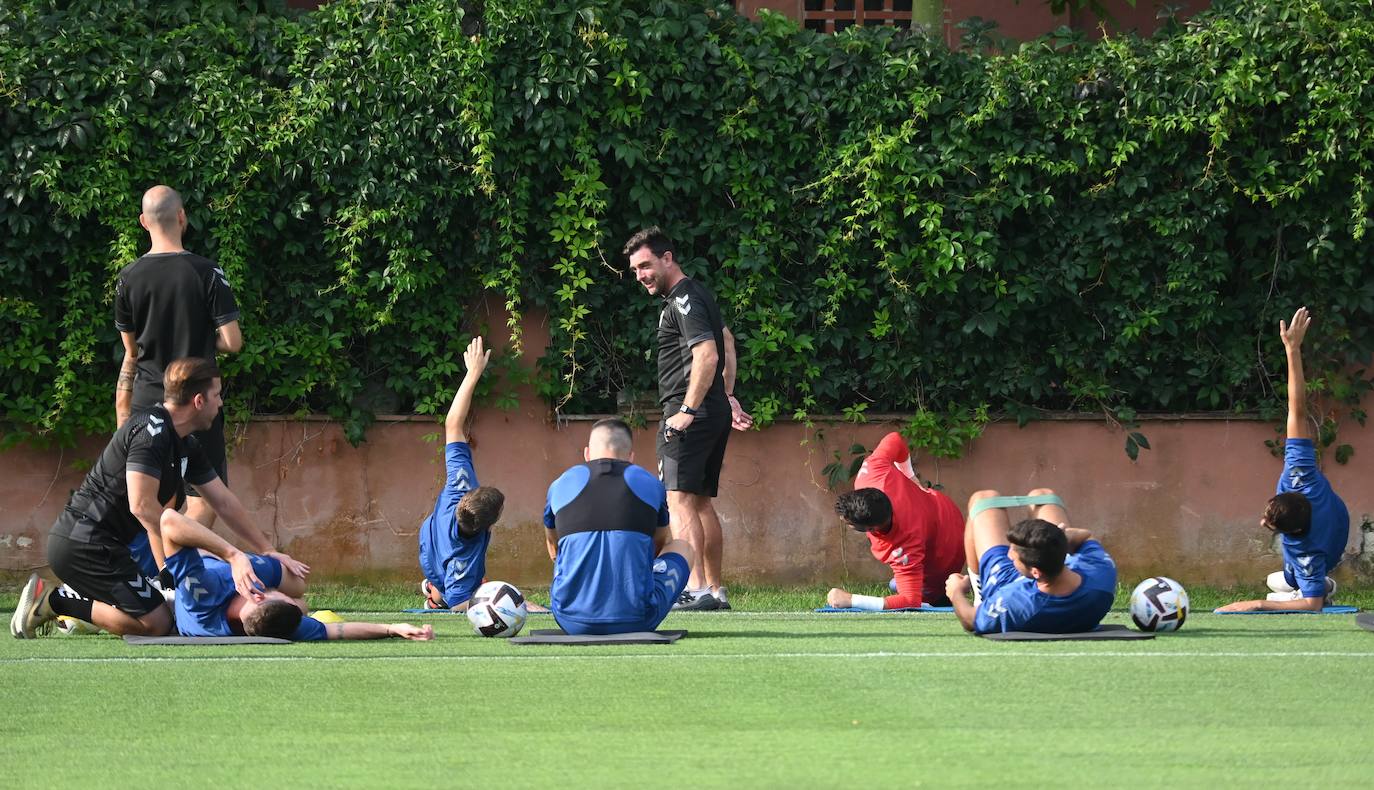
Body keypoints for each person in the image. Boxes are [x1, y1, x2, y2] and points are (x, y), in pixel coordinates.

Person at [11, 358, 304, 639]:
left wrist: (268, 550)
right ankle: (56, 600)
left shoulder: (186, 444)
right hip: (84, 544)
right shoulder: (151, 431)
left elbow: (224, 502)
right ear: (198, 401)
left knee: (165, 611)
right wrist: (169, 566)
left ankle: (82, 602)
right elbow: (141, 506)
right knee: (157, 623)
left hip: (113, 548)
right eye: (217, 395)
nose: (221, 402)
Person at [625, 227, 752, 612]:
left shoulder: (683, 300)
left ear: (668, 258)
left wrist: (687, 410)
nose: (641, 275)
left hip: (689, 415)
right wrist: (725, 396)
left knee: (677, 501)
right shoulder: (697, 296)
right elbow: (727, 341)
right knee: (698, 504)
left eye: (645, 265)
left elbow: (709, 354)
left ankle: (693, 590)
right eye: (634, 270)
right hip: (708, 411)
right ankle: (713, 591)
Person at [115, 185, 243, 531]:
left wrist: (123, 411)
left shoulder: (127, 278)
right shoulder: (207, 272)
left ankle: (159, 576)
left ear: (143, 222)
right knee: (204, 500)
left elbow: (131, 351)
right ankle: (176, 573)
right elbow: (232, 342)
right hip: (196, 401)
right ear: (182, 217)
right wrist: (203, 337)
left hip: (147, 399)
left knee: (154, 502)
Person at [1218, 307, 1349, 612]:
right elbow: (1297, 409)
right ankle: (1302, 584)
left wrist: (1257, 605)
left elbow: (1314, 605)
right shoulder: (1299, 473)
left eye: (1269, 523)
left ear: (1290, 534)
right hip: (1333, 518)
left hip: (1326, 549)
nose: (1262, 521)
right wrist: (1293, 349)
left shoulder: (1306, 550)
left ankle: (1310, 583)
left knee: (1280, 584)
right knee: (1278, 580)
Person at [160, 509, 431, 642]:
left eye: (283, 599)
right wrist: (392, 628)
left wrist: (233, 556)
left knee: (192, 511)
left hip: (210, 563)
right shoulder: (276, 625)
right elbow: (337, 630)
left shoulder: (202, 595)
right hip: (238, 574)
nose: (288, 600)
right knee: (301, 592)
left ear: (258, 596)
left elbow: (168, 520)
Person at [543, 418, 692, 635]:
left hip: (570, 620)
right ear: (631, 457)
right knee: (683, 547)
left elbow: (553, 549)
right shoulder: (651, 484)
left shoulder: (559, 484)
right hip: (637, 620)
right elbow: (658, 544)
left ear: (587, 454)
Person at [945, 488, 1117, 635]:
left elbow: (971, 620)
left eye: (1013, 554)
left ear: (1035, 572)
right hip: (1048, 562)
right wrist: (1058, 537)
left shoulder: (1015, 603)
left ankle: (980, 592)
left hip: (1005, 581)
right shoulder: (1100, 573)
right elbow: (1086, 536)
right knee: (1043, 495)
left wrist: (956, 593)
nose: (1009, 554)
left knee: (983, 499)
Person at [417, 337, 506, 612]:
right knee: (475, 590)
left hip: (431, 537)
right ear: (490, 525)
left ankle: (437, 585)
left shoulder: (460, 485)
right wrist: (505, 601)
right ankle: (435, 592)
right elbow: (459, 607)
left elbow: (452, 424)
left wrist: (473, 373)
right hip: (439, 560)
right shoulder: (463, 559)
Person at [827, 432, 965, 610]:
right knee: (899, 583)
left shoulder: (904, 546)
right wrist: (909, 475)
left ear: (873, 528)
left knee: (922, 595)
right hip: (943, 506)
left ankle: (940, 592)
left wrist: (851, 600)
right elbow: (895, 438)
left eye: (849, 523)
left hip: (947, 552)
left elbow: (910, 601)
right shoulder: (873, 473)